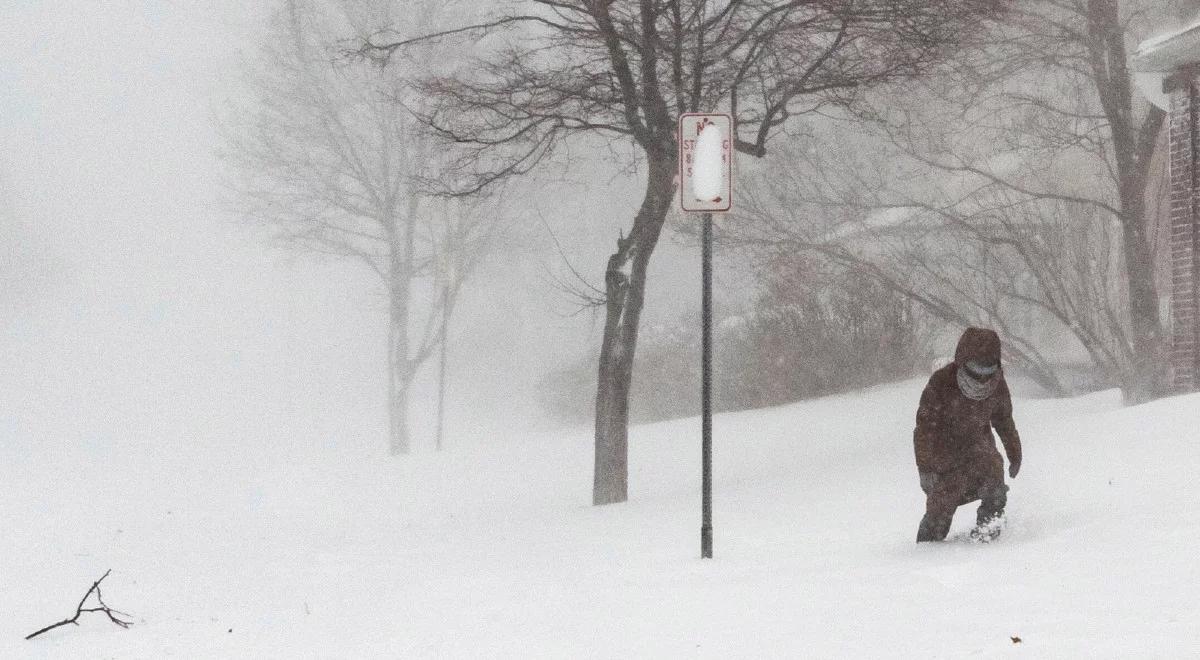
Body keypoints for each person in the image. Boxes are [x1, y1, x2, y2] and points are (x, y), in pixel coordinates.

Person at [912, 327, 1022, 542]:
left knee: (995, 490)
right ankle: (926, 553)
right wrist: (925, 467)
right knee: (940, 510)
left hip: (981, 452)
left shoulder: (997, 383)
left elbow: (1003, 420)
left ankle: (989, 533)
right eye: (975, 369)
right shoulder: (941, 382)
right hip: (945, 458)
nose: (981, 378)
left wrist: (1014, 452)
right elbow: (924, 428)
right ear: (962, 361)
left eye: (988, 370)